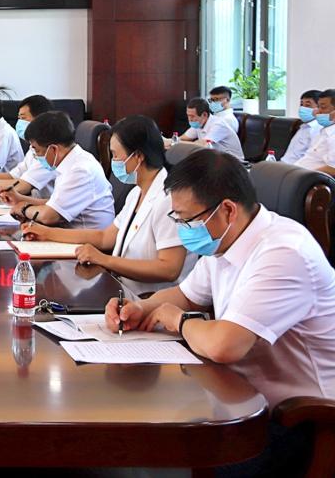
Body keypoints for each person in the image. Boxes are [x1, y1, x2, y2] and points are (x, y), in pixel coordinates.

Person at [105, 149, 334, 390]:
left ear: (228, 210)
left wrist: (178, 320)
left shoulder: (284, 253)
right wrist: (141, 308)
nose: (182, 229)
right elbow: (186, 296)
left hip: (298, 405)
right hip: (237, 386)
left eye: (187, 220)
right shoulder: (224, 240)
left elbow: (223, 346)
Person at [23, 116, 196, 296]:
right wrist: (46, 233)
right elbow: (105, 237)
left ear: (138, 156)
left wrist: (104, 260)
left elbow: (168, 269)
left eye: (115, 155)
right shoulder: (137, 192)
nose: (114, 161)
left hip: (152, 299)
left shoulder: (169, 200)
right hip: (123, 290)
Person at [1, 111, 115, 229]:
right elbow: (55, 204)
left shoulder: (80, 170)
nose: (36, 156)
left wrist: (24, 209)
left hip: (84, 237)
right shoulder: (71, 160)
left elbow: (49, 216)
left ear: (54, 149)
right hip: (69, 231)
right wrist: (21, 200)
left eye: (37, 151)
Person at [177, 98, 245, 160]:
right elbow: (182, 138)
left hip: (233, 162)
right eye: (188, 115)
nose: (189, 119)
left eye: (192, 116)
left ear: (204, 115)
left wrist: (176, 142)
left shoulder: (218, 124)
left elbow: (202, 144)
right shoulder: (199, 123)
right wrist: (173, 141)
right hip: (216, 160)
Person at [293, 88, 335, 175]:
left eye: (323, 107)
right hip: (297, 173)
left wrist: (302, 175)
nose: (317, 111)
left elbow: (332, 168)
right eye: (318, 107)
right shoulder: (323, 132)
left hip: (308, 178)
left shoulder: (332, 136)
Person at [281, 89, 322, 164]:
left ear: (320, 108)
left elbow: (312, 159)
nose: (303, 108)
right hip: (284, 165)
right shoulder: (303, 127)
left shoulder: (318, 129)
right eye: (301, 104)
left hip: (296, 168)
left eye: (308, 105)